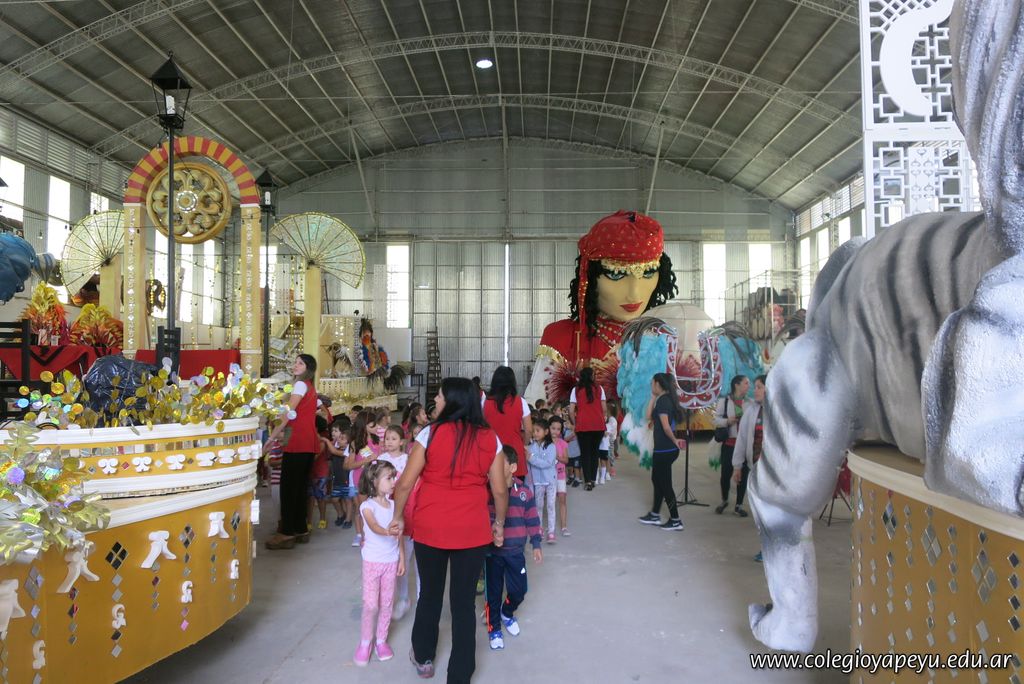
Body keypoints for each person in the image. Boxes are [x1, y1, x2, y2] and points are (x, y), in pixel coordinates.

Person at [389, 378, 509, 684]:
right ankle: (459, 674)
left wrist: (398, 516)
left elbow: (405, 483)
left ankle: (423, 657)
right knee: (463, 602)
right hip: (472, 530)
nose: (437, 402)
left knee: (430, 594)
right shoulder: (490, 437)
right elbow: (499, 490)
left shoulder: (430, 433)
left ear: (453, 400)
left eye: (440, 397)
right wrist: (498, 524)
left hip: (431, 526)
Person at [524, 210, 678, 407]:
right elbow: (538, 407)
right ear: (588, 277)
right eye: (616, 274)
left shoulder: (665, 337)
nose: (634, 293)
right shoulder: (563, 337)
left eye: (648, 272)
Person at [486, 445, 543, 651]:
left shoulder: (524, 493)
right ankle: (494, 629)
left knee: (519, 590)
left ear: (512, 467)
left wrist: (536, 543)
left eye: (498, 464)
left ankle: (507, 612)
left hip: (516, 553)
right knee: (493, 594)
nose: (492, 468)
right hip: (493, 553)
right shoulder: (487, 491)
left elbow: (533, 519)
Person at [354, 460, 406, 667]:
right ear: (374, 481)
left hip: (391, 562)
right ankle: (365, 642)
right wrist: (387, 531)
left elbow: (400, 535)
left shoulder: (395, 506)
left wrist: (402, 558)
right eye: (389, 478)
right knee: (370, 604)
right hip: (372, 562)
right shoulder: (367, 506)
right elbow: (373, 525)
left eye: (394, 477)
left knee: (386, 603)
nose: (393, 482)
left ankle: (381, 641)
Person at [266, 354, 319, 550]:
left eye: (300, 363)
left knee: (288, 489)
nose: (295, 366)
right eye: (295, 362)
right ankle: (300, 528)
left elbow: (288, 414)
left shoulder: (300, 385)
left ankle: (287, 532)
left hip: (297, 441)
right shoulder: (310, 387)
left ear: (308, 368)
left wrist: (271, 438)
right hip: (308, 441)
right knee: (300, 488)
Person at [637, 373, 685, 531]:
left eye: (652, 383)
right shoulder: (663, 399)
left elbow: (666, 427)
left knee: (665, 484)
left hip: (665, 449)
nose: (651, 386)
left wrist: (674, 440)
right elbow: (648, 416)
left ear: (658, 384)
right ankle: (655, 515)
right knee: (657, 480)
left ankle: (676, 520)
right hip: (663, 449)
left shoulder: (664, 401)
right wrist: (652, 397)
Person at [379, 425, 416, 620]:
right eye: (387, 438)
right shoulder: (381, 460)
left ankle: (421, 598)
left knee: (419, 564)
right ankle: (403, 598)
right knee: (402, 561)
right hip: (391, 515)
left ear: (402, 442)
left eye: (393, 438)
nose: (389, 442)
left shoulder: (408, 460)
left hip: (410, 513)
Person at [733, 375, 767, 562]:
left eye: (759, 387)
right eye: (755, 386)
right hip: (755, 469)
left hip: (775, 473)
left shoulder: (779, 411)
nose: (755, 390)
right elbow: (742, 439)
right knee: (761, 513)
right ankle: (766, 547)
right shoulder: (751, 411)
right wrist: (737, 466)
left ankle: (774, 549)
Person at [482, 366, 533, 481]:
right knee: (516, 487)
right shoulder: (521, 402)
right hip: (515, 451)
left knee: (492, 486)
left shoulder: (485, 403)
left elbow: (481, 427)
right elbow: (529, 430)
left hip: (492, 451)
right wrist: (524, 444)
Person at [714, 375, 751, 517]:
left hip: (745, 446)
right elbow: (715, 420)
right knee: (725, 475)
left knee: (743, 475)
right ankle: (724, 500)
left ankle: (738, 505)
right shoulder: (724, 401)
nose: (748, 386)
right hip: (729, 444)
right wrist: (727, 422)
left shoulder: (750, 403)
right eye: (746, 383)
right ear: (737, 385)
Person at [569, 367, 607, 491]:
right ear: (592, 376)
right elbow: (604, 409)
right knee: (595, 453)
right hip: (598, 425)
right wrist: (602, 418)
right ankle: (593, 479)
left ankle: (588, 482)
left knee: (585, 454)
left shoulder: (576, 390)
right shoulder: (599, 388)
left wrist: (575, 423)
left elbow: (571, 411)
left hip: (583, 426)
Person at [348, 411, 379, 548]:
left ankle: (375, 536)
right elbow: (350, 465)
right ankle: (363, 536)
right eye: (373, 424)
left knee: (376, 509)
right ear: (364, 425)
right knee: (363, 509)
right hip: (361, 481)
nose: (377, 427)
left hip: (376, 480)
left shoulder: (378, 440)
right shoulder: (355, 443)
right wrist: (366, 460)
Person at [526, 418, 557, 544]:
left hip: (550, 481)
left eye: (538, 430)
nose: (535, 433)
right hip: (537, 482)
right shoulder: (530, 447)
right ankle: (539, 529)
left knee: (550, 505)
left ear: (546, 431)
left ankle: (551, 531)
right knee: (538, 506)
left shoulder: (551, 447)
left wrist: (531, 459)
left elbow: (547, 463)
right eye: (533, 431)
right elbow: (529, 467)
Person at [325, 417, 354, 528]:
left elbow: (333, 451)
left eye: (336, 431)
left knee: (347, 499)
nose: (333, 433)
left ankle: (348, 519)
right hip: (337, 478)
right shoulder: (336, 445)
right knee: (334, 499)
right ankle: (341, 514)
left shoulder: (348, 449)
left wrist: (326, 441)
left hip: (346, 478)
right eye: (332, 430)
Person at [308, 416, 332, 530]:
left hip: (321, 472)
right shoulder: (312, 438)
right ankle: (309, 521)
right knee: (310, 497)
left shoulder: (322, 440)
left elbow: (315, 456)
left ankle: (322, 519)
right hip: (311, 471)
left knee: (320, 496)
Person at [548, 416, 571, 537]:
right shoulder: (545, 443)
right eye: (553, 428)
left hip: (560, 476)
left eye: (558, 429)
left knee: (562, 500)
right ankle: (550, 528)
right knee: (550, 502)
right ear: (548, 428)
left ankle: (564, 526)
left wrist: (557, 456)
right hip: (548, 477)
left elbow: (566, 460)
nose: (555, 431)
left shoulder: (563, 443)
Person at [598, 401, 618, 484]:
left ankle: (608, 472)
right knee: (605, 457)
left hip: (610, 440)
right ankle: (606, 472)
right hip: (606, 440)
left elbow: (610, 431)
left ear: (609, 411)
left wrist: (606, 433)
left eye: (606, 411)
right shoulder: (609, 419)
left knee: (608, 457)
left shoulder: (612, 420)